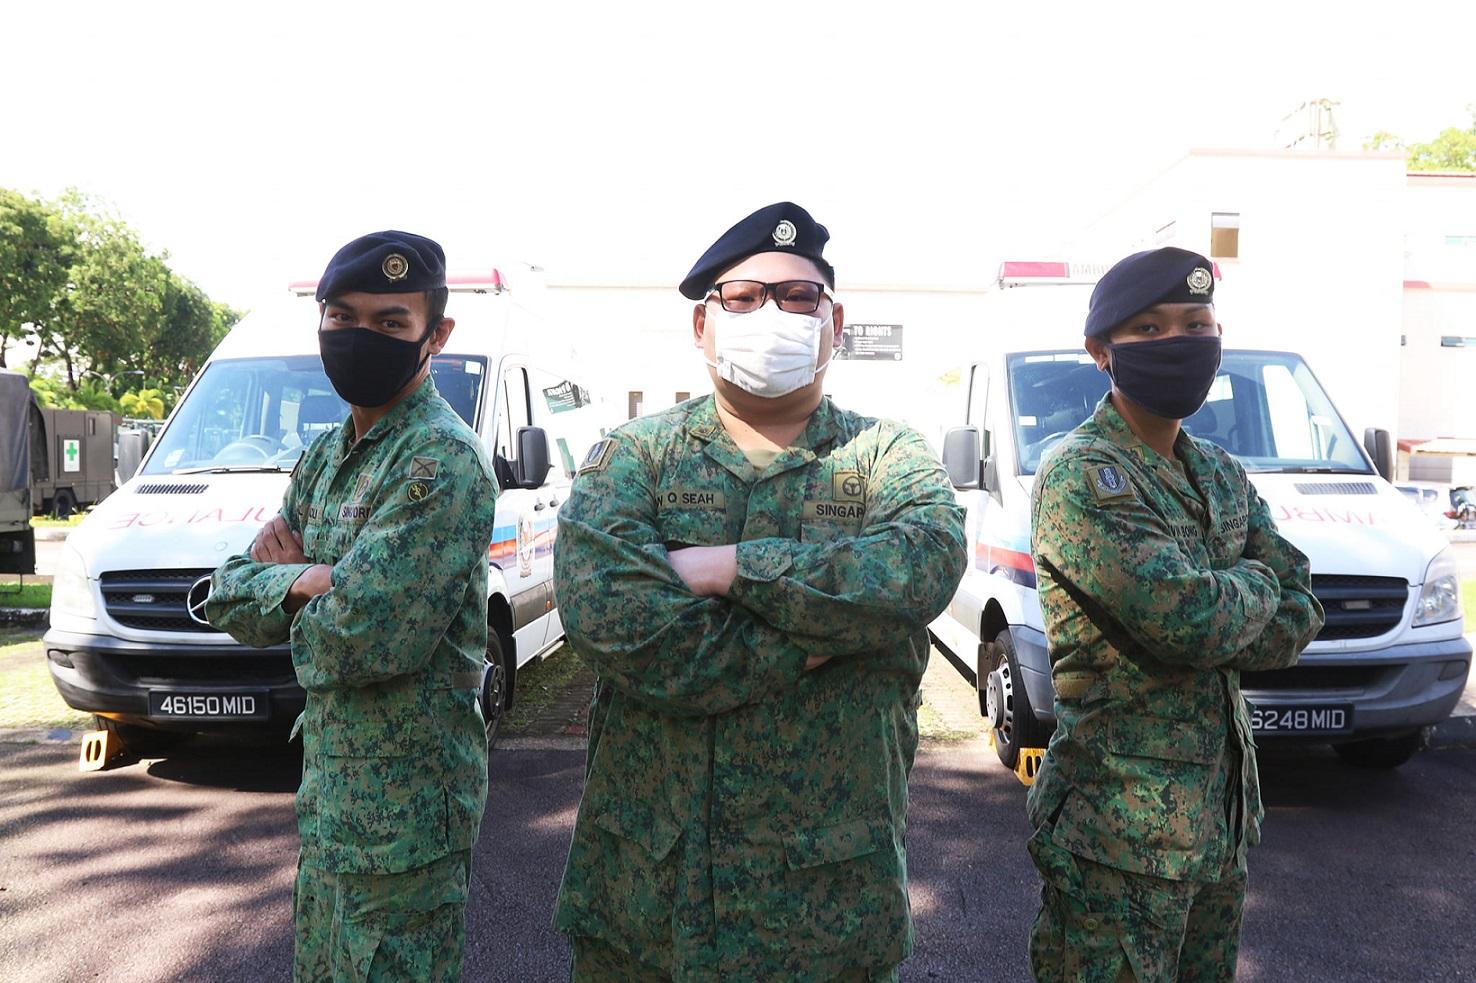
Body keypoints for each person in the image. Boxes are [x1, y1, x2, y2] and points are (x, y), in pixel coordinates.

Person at [551, 202, 967, 981]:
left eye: (797, 296)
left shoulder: (888, 456)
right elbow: (618, 624)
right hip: (648, 907)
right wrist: (829, 636)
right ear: (703, 326)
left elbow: (924, 563)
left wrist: (730, 567)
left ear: (834, 321)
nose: (770, 313)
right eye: (743, 298)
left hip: (829, 912)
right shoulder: (635, 458)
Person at [1025, 247, 1325, 981]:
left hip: (1217, 824)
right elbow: (1190, 620)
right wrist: (1251, 583)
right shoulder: (1082, 475)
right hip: (1119, 835)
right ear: (1101, 353)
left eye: (1195, 323)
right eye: (1150, 329)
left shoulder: (1219, 471)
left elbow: (1303, 608)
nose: (1178, 343)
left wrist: (1230, 600)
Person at [207, 230, 496, 982]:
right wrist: (307, 579)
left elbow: (363, 636)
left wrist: (301, 583)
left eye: (390, 322)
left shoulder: (440, 461)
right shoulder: (327, 456)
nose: (360, 337)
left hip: (406, 824)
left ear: (436, 335)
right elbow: (229, 592)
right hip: (332, 808)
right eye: (342, 316)